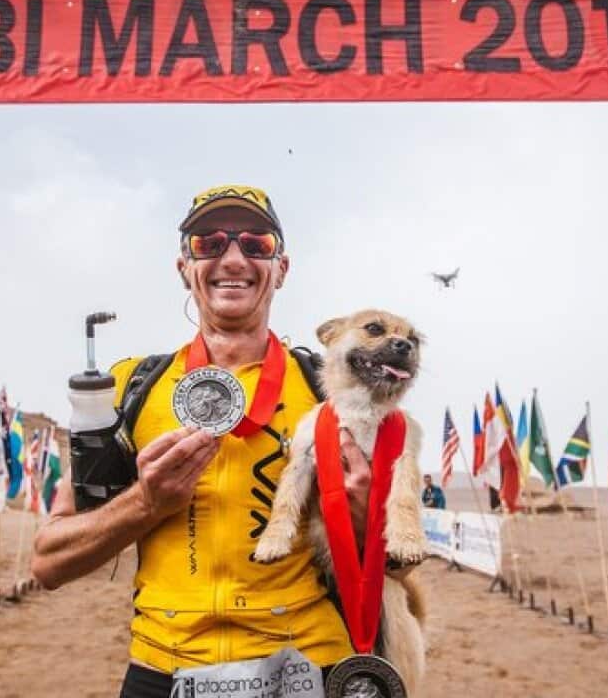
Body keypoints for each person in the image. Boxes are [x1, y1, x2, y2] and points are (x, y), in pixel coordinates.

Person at [31, 185, 372, 698]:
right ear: (184, 267)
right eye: (208, 243)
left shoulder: (332, 391)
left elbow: (396, 563)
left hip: (306, 660)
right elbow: (49, 561)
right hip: (164, 663)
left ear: (281, 267)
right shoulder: (128, 390)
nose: (232, 258)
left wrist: (365, 512)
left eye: (255, 244)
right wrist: (146, 503)